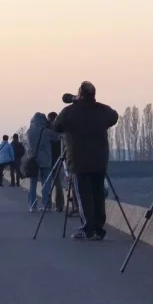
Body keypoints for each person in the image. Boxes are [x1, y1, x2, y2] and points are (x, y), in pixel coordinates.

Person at [53, 81, 118, 240]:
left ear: (80, 94)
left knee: (84, 195)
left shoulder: (70, 111)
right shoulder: (102, 110)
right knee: (98, 194)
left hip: (79, 159)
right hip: (100, 159)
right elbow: (114, 116)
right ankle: (99, 229)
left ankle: (88, 228)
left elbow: (57, 126)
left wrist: (76, 102)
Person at [25, 113, 60, 212]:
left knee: (32, 184)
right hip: (45, 160)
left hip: (33, 161)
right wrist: (50, 125)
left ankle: (32, 205)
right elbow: (57, 137)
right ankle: (46, 205)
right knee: (46, 183)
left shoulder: (29, 132)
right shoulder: (45, 131)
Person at [47, 112, 65, 211]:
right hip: (61, 157)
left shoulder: (48, 130)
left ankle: (52, 204)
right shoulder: (61, 129)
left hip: (51, 158)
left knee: (54, 182)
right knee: (58, 182)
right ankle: (60, 204)